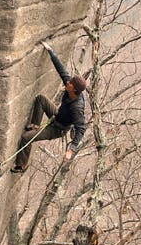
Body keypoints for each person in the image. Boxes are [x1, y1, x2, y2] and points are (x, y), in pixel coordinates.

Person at [11, 41, 87, 173]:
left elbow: (81, 129)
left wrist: (71, 150)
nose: (67, 82)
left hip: (58, 129)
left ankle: (21, 166)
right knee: (41, 99)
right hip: (57, 116)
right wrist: (51, 51)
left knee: (26, 137)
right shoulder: (71, 89)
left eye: (69, 83)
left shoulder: (77, 108)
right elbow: (62, 71)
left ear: (73, 89)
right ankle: (35, 124)